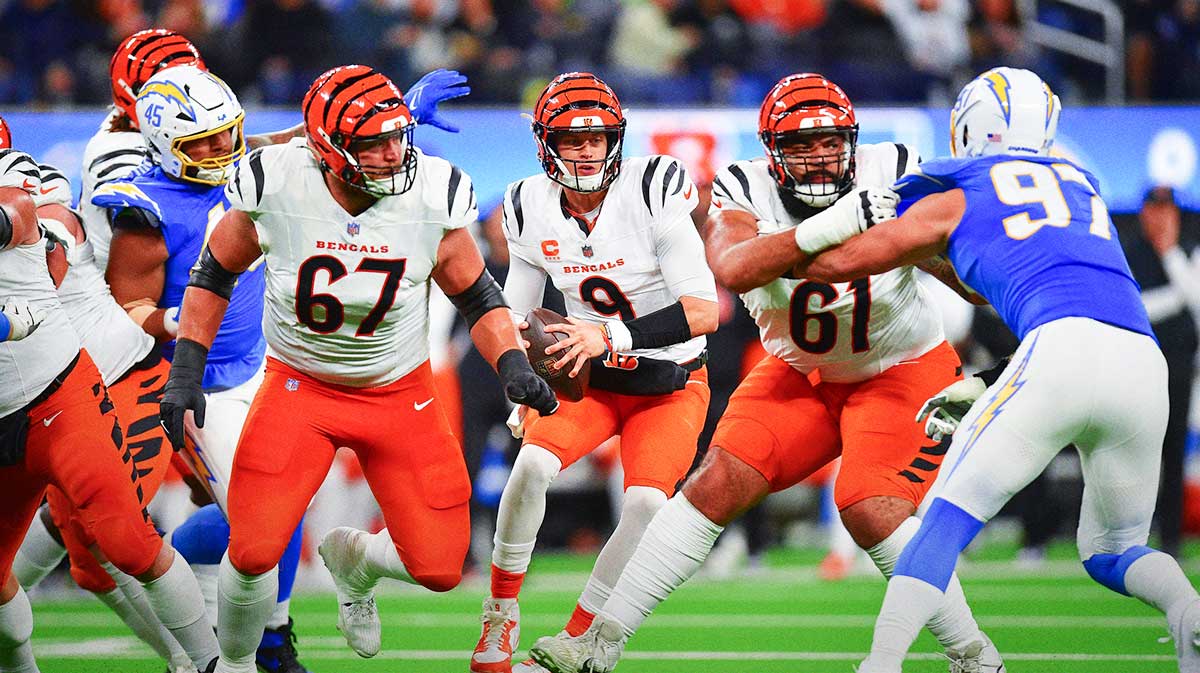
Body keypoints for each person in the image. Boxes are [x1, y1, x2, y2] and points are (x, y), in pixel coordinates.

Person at [528, 72, 1001, 673]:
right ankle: (602, 642)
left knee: (868, 506)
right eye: (800, 146)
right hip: (798, 372)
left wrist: (914, 242)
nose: (818, 156)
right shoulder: (743, 185)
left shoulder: (896, 167)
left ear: (852, 141)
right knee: (712, 483)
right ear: (772, 153)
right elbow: (733, 266)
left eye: (830, 142)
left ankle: (973, 654)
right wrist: (837, 230)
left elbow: (974, 281)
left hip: (899, 368)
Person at [780, 66, 1199, 673]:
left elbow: (852, 258)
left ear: (973, 123)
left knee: (938, 529)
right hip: (1142, 361)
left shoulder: (957, 181)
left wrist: (786, 256)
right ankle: (1186, 607)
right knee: (1114, 550)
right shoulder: (1084, 186)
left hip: (1057, 355)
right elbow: (1086, 308)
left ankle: (881, 663)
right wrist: (992, 378)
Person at [157, 64, 556, 673]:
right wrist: (187, 366)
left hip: (399, 393)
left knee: (441, 568)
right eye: (373, 142)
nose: (395, 152)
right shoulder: (278, 183)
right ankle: (235, 666)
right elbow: (214, 271)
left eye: (399, 135)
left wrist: (511, 365)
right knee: (255, 549)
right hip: (300, 386)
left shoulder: (432, 193)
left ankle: (356, 562)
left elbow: (476, 294)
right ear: (326, 149)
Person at [471, 71, 720, 673]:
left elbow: (703, 310)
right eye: (571, 138)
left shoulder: (654, 187)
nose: (587, 150)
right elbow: (515, 310)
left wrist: (607, 334)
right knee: (530, 463)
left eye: (598, 137)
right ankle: (500, 614)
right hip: (591, 379)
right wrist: (519, 374)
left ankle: (580, 636)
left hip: (669, 382)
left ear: (617, 139)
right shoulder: (529, 203)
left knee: (644, 506)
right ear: (544, 143)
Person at [0, 150, 220, 673]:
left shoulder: (24, 193)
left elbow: (45, 237)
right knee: (77, 559)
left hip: (74, 390)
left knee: (122, 541)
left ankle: (211, 662)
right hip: (12, 406)